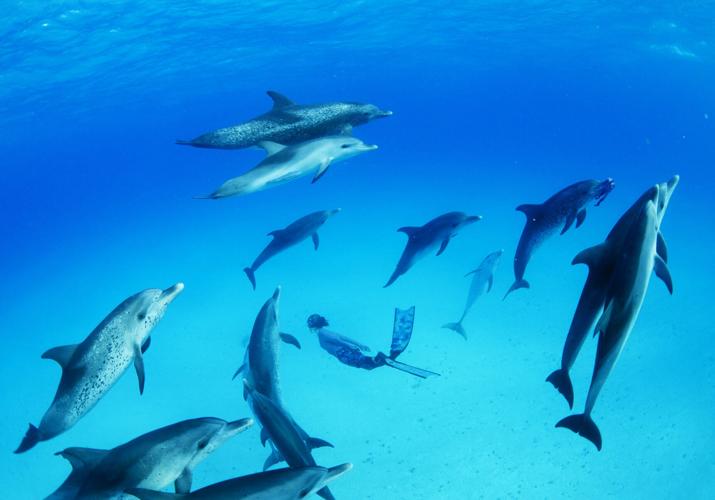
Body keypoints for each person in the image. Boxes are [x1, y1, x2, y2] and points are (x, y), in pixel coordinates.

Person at [306, 307, 439, 379]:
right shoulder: (326, 332)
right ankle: (384, 358)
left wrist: (353, 346)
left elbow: (339, 340)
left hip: (344, 355)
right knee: (367, 364)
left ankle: (381, 358)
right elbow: (343, 338)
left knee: (368, 365)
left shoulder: (322, 334)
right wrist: (358, 345)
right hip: (346, 353)